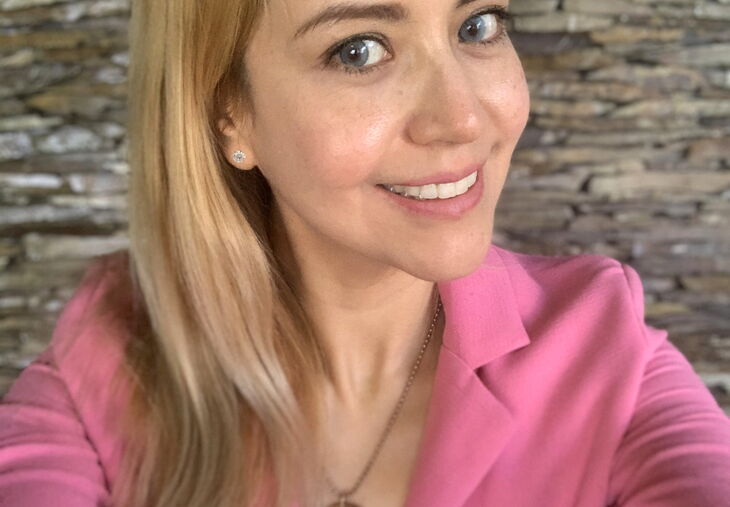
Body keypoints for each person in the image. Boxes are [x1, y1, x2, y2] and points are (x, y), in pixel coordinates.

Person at [1, 0, 729, 506]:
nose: (462, 118)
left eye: (477, 25)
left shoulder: (606, 356)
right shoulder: (107, 367)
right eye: (360, 50)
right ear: (231, 113)